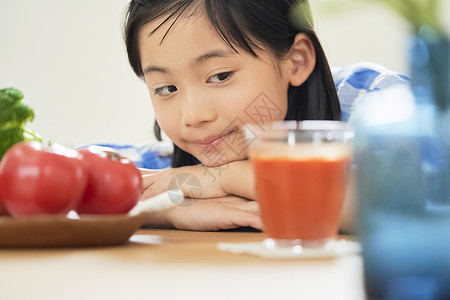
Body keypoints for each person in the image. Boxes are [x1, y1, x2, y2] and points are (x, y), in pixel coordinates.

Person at [122, 0, 348, 231]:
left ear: (296, 61)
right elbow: (84, 186)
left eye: (220, 76)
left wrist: (224, 178)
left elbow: (381, 200)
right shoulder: (167, 170)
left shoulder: (373, 103)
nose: (193, 115)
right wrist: (169, 210)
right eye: (166, 88)